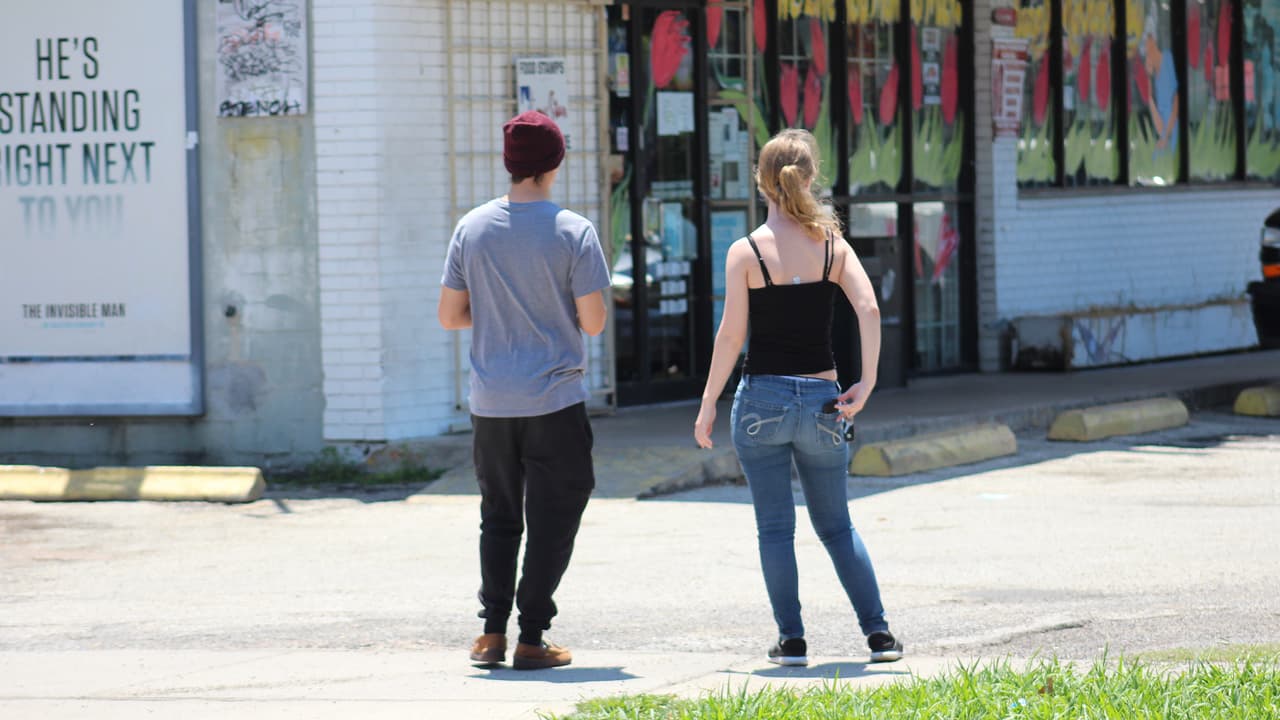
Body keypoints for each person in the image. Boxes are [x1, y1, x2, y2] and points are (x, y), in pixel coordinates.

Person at [693, 129, 902, 666]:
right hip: (823, 401)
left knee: (775, 528)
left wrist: (709, 402)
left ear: (763, 183)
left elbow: (730, 337)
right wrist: (868, 381)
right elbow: (870, 310)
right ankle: (878, 636)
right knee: (836, 525)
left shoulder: (745, 252)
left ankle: (792, 641)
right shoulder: (832, 246)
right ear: (810, 179)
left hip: (760, 400)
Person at [438, 110, 610, 671]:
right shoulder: (574, 231)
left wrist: (500, 315)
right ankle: (532, 635)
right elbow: (593, 322)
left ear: (510, 164)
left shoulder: (472, 227)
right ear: (555, 162)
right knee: (556, 512)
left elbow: (450, 316)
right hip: (554, 399)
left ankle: (490, 633)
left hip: (491, 402)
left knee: (500, 513)